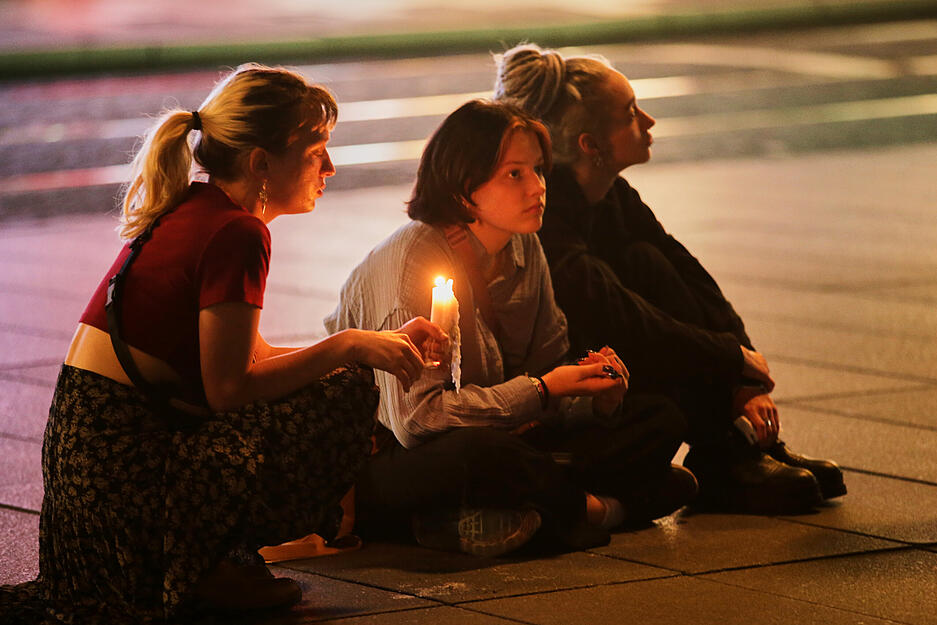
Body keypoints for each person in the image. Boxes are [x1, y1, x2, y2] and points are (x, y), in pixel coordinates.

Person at [0, 64, 445, 624]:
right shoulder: (238, 232)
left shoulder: (199, 208)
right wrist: (351, 346)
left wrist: (376, 340)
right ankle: (207, 567)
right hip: (127, 476)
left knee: (336, 373)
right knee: (345, 392)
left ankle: (213, 563)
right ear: (261, 162)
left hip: (94, 468)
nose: (329, 168)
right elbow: (230, 389)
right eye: (316, 151)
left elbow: (251, 357)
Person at [326, 100, 697, 558]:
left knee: (660, 417)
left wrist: (595, 398)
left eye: (539, 170)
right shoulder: (412, 260)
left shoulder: (526, 247)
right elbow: (417, 421)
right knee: (480, 455)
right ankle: (597, 507)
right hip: (398, 456)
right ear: (465, 189)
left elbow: (548, 371)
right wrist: (541, 391)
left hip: (509, 434)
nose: (538, 187)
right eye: (515, 174)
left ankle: (518, 509)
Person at [493, 43, 846, 514]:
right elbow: (620, 316)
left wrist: (743, 372)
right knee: (648, 316)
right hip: (565, 386)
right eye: (629, 114)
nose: (649, 121)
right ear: (589, 145)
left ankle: (732, 444)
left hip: (620, 358)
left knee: (648, 259)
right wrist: (727, 358)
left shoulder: (612, 193)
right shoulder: (549, 214)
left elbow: (685, 271)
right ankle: (724, 452)